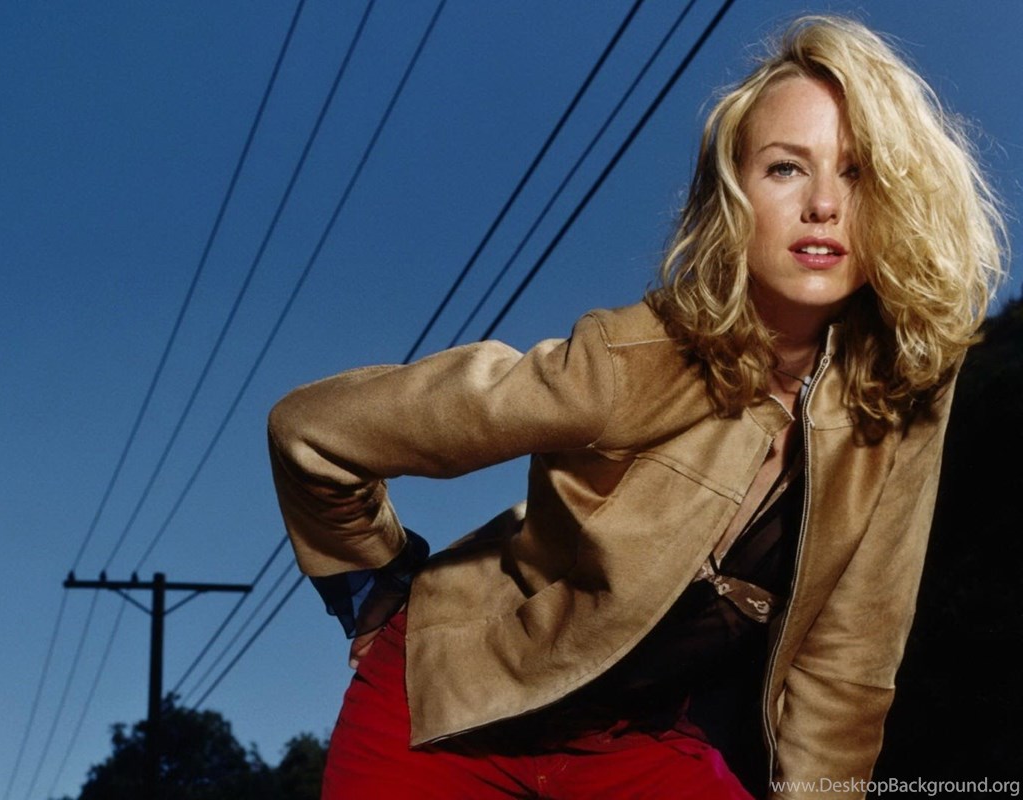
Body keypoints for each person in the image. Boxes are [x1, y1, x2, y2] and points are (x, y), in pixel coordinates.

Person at [267, 14, 1006, 800]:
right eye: (786, 168)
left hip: (631, 741)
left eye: (856, 172)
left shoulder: (900, 394)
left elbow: (850, 655)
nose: (823, 203)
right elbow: (315, 432)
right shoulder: (633, 360)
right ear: (734, 199)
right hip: (447, 715)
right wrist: (375, 591)